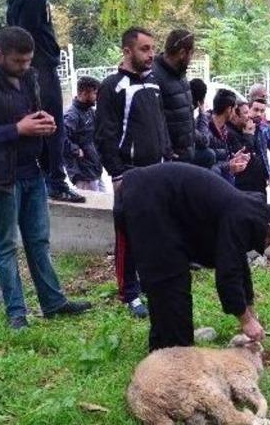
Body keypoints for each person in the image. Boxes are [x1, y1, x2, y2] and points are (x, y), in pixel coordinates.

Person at [0, 26, 92, 330]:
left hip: (32, 170)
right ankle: (16, 313)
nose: (25, 67)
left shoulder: (29, 76)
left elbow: (32, 112)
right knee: (5, 245)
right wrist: (17, 130)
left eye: (28, 61)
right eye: (18, 61)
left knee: (38, 241)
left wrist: (44, 122)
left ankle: (54, 303)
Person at [113, 162, 270, 352]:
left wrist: (249, 308)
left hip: (157, 202)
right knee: (170, 283)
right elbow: (228, 273)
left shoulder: (249, 214)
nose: (266, 247)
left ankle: (164, 348)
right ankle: (175, 358)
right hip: (149, 200)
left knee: (172, 284)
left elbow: (239, 265)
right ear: (269, 227)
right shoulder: (242, 218)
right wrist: (246, 321)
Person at [95, 26, 168, 319]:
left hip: (158, 172)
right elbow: (104, 136)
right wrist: (117, 173)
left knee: (155, 233)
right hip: (130, 174)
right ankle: (129, 293)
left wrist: (168, 157)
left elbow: (161, 125)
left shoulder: (154, 85)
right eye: (145, 49)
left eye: (152, 49)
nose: (151, 55)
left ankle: (151, 283)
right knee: (128, 235)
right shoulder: (112, 87)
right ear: (127, 51)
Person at [6, 0, 84, 203]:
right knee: (52, 124)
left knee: (42, 122)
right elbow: (29, 36)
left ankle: (45, 178)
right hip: (39, 71)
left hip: (33, 70)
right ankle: (56, 181)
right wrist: (44, 60)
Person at [153, 29, 195, 162]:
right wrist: (167, 151)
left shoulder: (180, 75)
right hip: (171, 159)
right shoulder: (154, 76)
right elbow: (156, 119)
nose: (191, 59)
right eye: (191, 53)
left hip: (186, 154)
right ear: (182, 53)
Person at [195, 88, 249, 181]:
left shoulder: (225, 129)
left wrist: (234, 158)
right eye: (235, 109)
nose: (235, 114)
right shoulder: (203, 127)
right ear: (229, 109)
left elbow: (222, 160)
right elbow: (206, 163)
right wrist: (229, 165)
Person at [64, 76, 104, 191]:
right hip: (83, 173)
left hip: (94, 169)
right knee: (93, 207)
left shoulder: (90, 112)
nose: (97, 98)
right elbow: (60, 138)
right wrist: (75, 150)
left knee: (105, 203)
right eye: (95, 93)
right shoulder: (72, 115)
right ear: (84, 93)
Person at [226, 100, 269, 200]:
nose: (249, 116)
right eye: (245, 113)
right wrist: (249, 135)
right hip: (245, 188)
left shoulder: (246, 128)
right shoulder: (230, 133)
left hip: (258, 186)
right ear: (235, 116)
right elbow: (243, 153)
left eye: (248, 112)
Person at [248, 97, 270, 184]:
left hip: (261, 178)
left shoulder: (266, 130)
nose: (259, 114)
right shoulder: (240, 127)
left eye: (262, 111)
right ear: (249, 109)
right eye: (256, 110)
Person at [189, 78, 216, 169]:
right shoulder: (185, 114)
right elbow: (204, 141)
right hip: (180, 156)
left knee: (222, 153)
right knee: (209, 155)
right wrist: (203, 114)